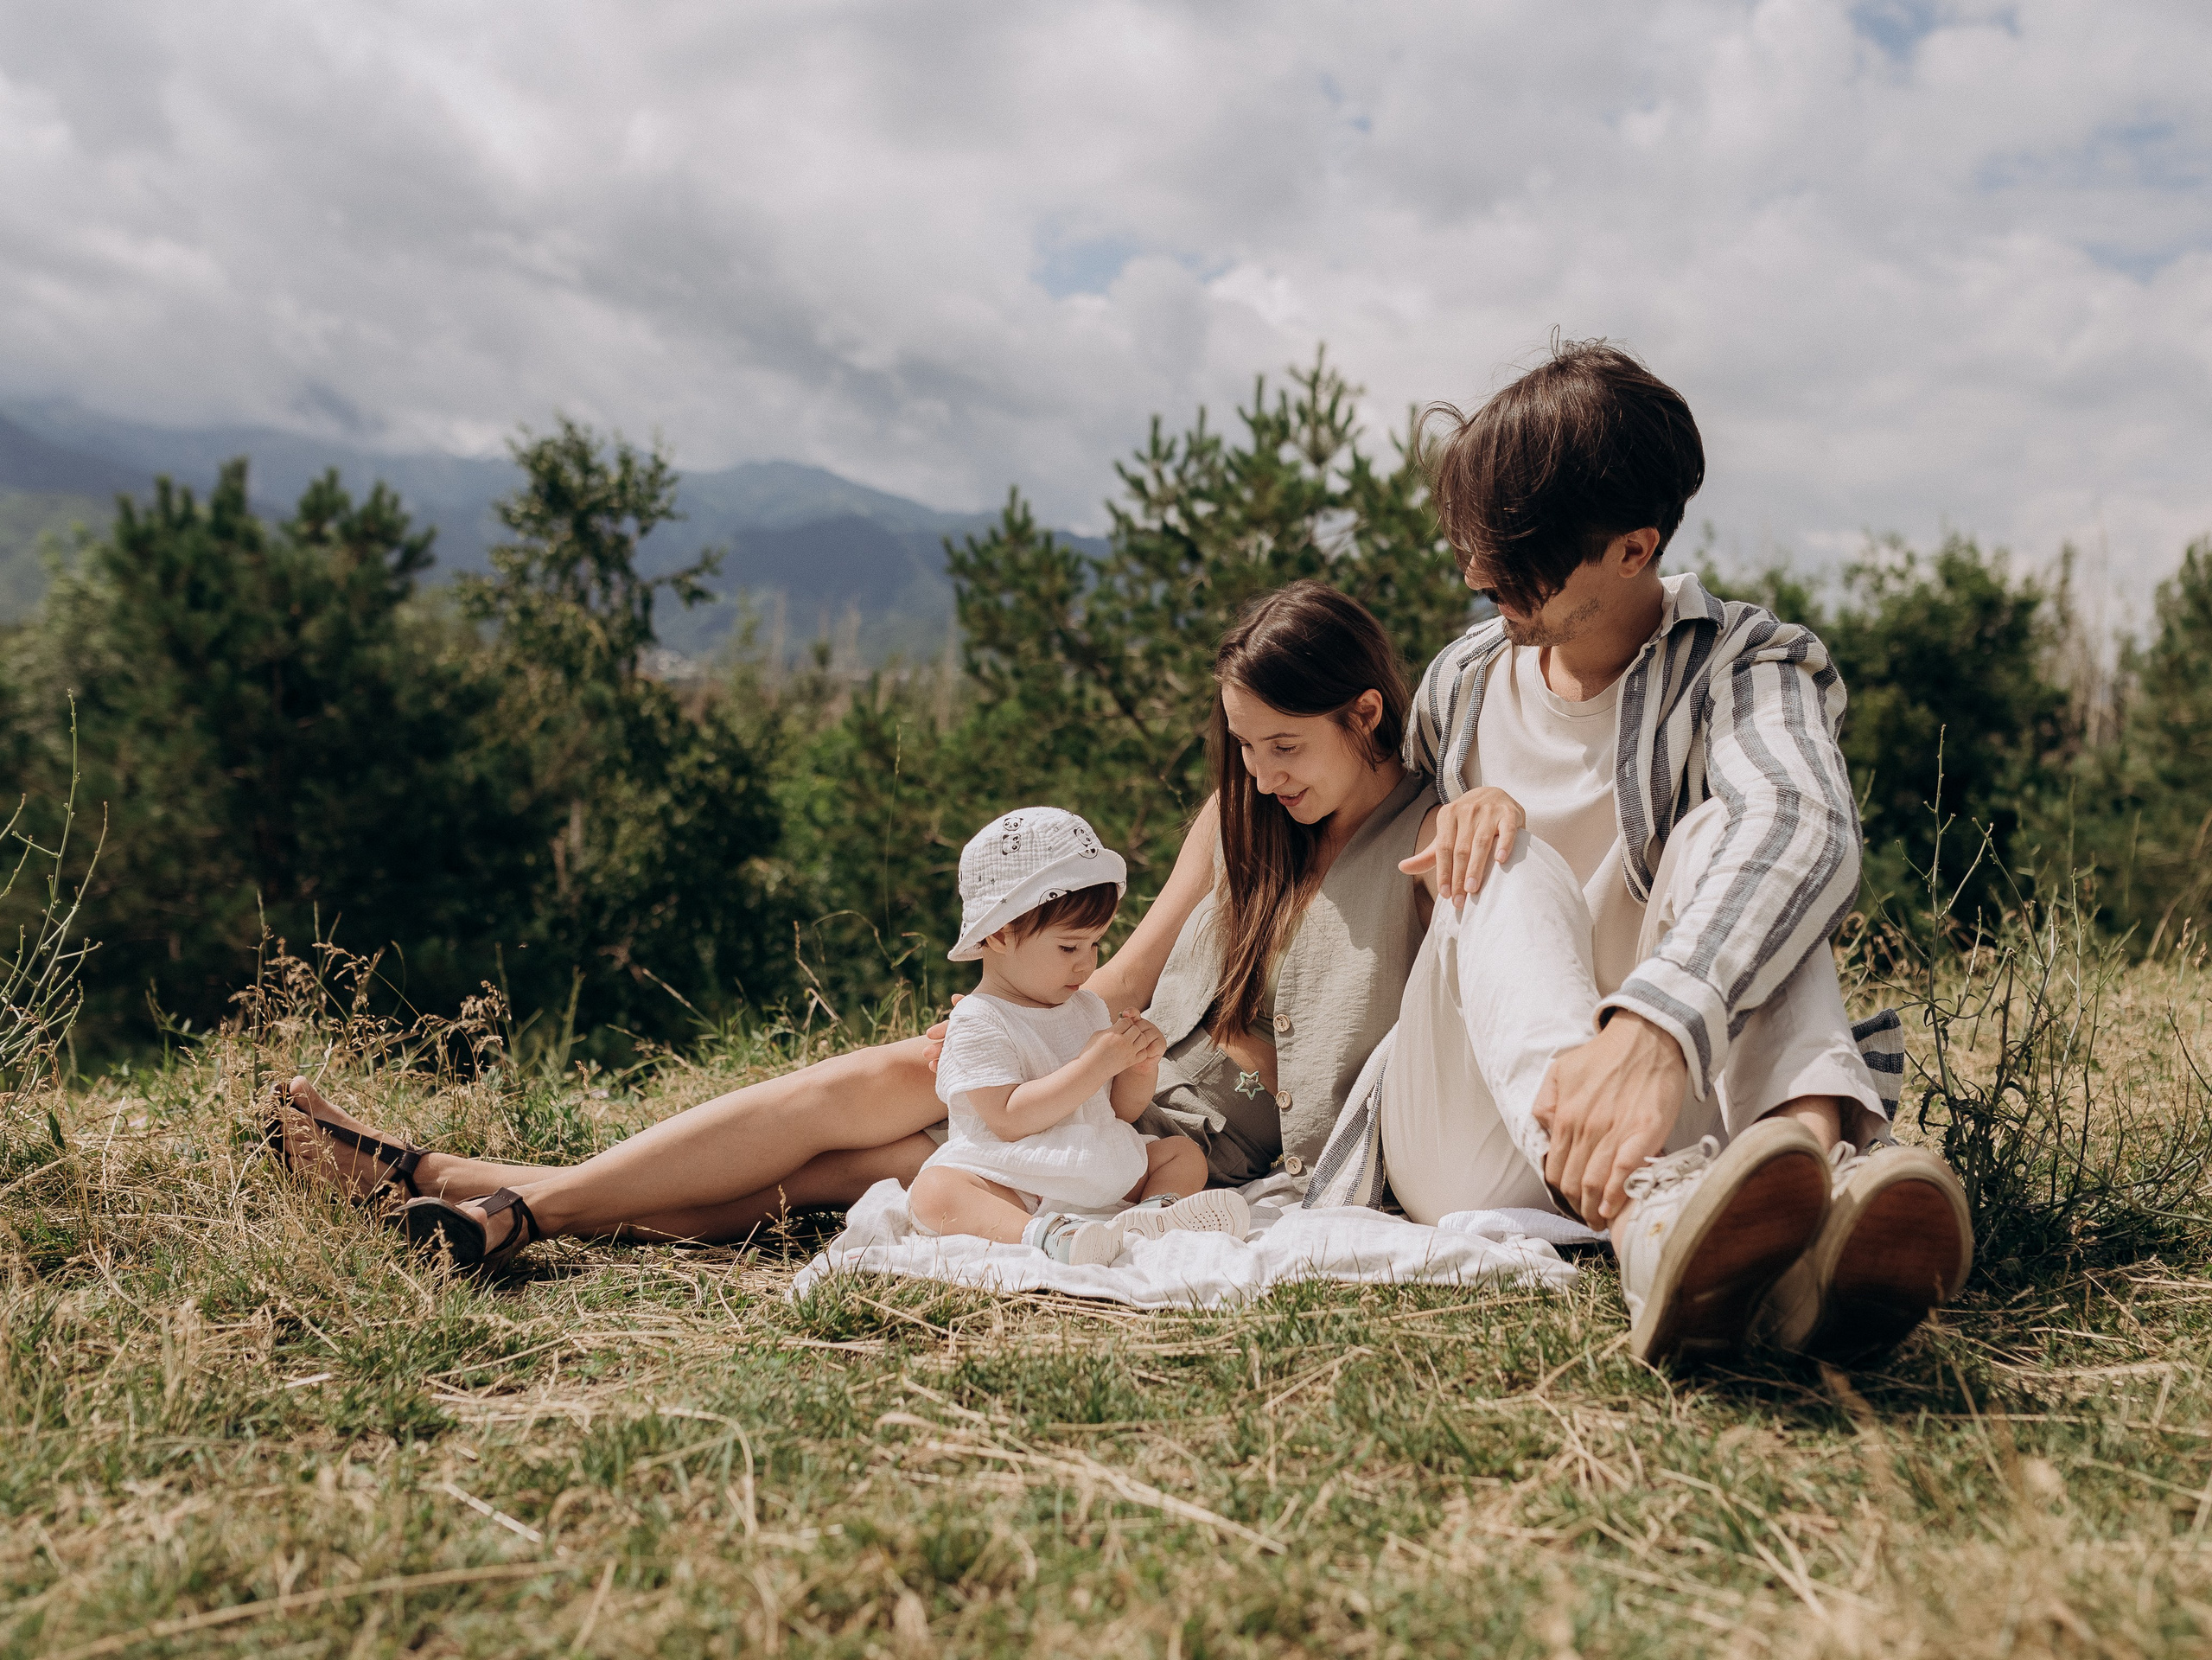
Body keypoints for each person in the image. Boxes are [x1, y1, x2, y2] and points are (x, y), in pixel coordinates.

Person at [268, 583, 1450, 1267]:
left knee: (864, 1167)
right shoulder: (1239, 812)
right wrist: (1013, 1025)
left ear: (1368, 712)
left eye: (1285, 747)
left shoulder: (1428, 839)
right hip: (1098, 1071)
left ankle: (464, 1187)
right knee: (889, 1082)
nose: (1261, 773)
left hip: (1199, 1138)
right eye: (1243, 747)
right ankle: (492, 1201)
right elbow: (1124, 977)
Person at [1304, 338, 1972, 1368]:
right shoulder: (1457, 686)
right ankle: (1646, 1226)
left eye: (1516, 555)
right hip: (1473, 1128)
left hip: (1686, 1102)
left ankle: (1809, 1209)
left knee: (1744, 835)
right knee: (1497, 844)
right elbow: (1313, 821)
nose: (1481, 575)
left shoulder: (1746, 664)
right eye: (1471, 547)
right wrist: (1458, 817)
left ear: (1633, 548)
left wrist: (1655, 1026)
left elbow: (1806, 826)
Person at [902, 807, 1251, 1267]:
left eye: (1095, 945)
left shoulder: (1083, 1006)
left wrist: (1137, 1068)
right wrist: (1094, 1063)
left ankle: (1154, 1215)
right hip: (1016, 1175)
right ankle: (1042, 1234)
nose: (1087, 964)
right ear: (1003, 935)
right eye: (1069, 947)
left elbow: (1120, 1112)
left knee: (1182, 1153)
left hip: (1092, 1158)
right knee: (934, 1192)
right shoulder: (977, 1020)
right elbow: (1007, 1119)